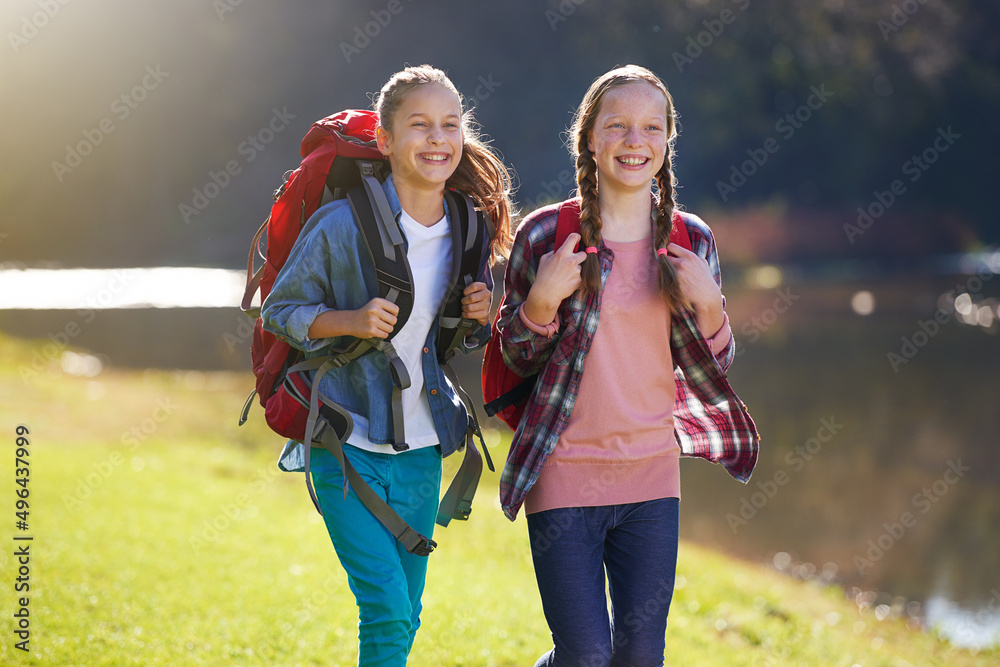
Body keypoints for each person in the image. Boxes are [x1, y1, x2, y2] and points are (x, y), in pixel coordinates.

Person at [494, 65, 758, 666]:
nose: (634, 141)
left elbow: (713, 366)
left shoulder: (692, 240)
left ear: (667, 141)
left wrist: (713, 307)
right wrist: (540, 304)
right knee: (584, 656)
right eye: (617, 126)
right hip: (563, 473)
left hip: (652, 477)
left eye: (650, 128)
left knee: (640, 656)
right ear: (589, 138)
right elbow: (513, 354)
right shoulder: (545, 236)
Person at [261, 65, 514, 666]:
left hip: (424, 449)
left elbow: (450, 339)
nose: (437, 138)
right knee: (386, 607)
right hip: (343, 443)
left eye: (450, 125)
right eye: (419, 125)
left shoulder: (469, 227)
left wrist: (481, 312)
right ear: (385, 139)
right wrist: (348, 320)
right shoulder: (340, 224)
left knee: (409, 611)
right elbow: (280, 311)